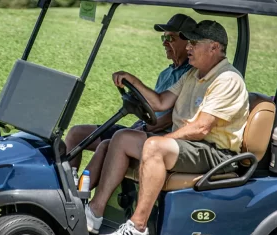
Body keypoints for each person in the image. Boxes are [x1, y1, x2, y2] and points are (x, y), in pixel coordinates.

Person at [85, 20, 250, 235]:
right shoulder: (193, 74)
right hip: (192, 146)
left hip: (215, 153)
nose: (188, 47)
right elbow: (161, 102)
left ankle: (138, 228)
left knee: (154, 146)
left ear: (213, 47)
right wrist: (133, 80)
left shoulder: (227, 80)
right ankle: (94, 213)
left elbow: (201, 128)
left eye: (193, 42)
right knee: (122, 138)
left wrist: (162, 140)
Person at [64, 14, 196, 171]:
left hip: (159, 135)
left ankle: (84, 191)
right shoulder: (166, 74)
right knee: (76, 133)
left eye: (171, 38)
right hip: (142, 128)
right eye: (163, 38)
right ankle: (70, 186)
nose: (165, 43)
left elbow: (173, 116)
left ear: (189, 42)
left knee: (110, 143)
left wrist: (144, 129)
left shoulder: (191, 74)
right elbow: (153, 105)